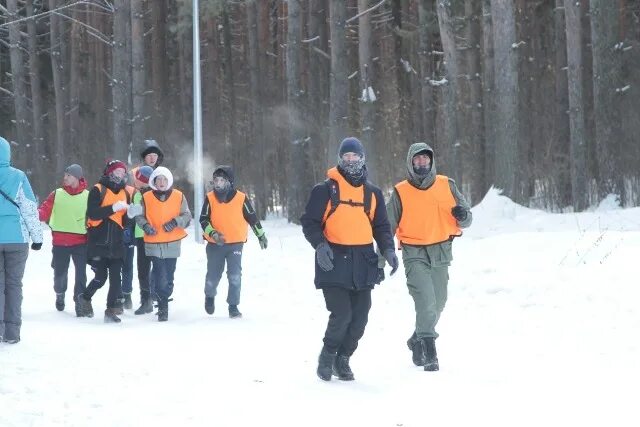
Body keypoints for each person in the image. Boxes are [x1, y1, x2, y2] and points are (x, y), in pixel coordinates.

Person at [300, 137, 397, 381]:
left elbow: (382, 227)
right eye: (346, 156)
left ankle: (343, 358)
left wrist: (388, 250)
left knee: (361, 316)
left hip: (363, 263)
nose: (351, 160)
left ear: (362, 158)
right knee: (341, 313)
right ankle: (327, 355)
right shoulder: (325, 190)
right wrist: (320, 245)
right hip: (333, 261)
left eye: (355, 156)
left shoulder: (372, 193)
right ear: (340, 159)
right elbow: (310, 223)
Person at [386, 142, 472, 371]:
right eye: (417, 159)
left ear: (431, 161)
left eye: (425, 158)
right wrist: (381, 255)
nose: (421, 162)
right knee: (425, 300)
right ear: (410, 162)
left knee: (439, 302)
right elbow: (387, 227)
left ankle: (416, 339)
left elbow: (467, 219)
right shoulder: (400, 192)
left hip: (441, 252)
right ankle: (430, 352)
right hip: (414, 253)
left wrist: (463, 215)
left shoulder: (447, 185)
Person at [199, 166, 267, 319]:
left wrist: (260, 234)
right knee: (213, 276)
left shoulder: (241, 198)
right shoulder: (210, 198)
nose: (218, 183)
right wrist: (213, 233)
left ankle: (233, 306)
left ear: (229, 182)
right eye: (216, 180)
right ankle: (209, 295)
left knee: (235, 276)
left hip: (235, 244)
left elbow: (252, 218)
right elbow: (203, 219)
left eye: (222, 180)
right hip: (215, 244)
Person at [132, 166, 190, 321]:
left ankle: (163, 295)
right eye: (159, 179)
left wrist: (175, 222)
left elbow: (187, 216)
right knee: (159, 274)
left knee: (169, 276)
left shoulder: (179, 196)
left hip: (172, 243)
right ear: (154, 182)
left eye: (164, 179)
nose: (162, 182)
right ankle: (163, 306)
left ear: (169, 180)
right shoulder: (146, 197)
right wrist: (145, 226)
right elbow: (138, 216)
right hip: (154, 242)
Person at [76, 160, 131, 323]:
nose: (120, 175)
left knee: (116, 279)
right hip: (98, 243)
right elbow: (93, 214)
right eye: (117, 171)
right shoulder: (97, 189)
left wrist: (131, 214)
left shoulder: (125, 193)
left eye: (123, 172)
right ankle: (85, 297)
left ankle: (110, 309)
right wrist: (112, 208)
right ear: (109, 172)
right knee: (101, 278)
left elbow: (125, 221)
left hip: (117, 245)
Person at [0, 136, 43, 344]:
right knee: (14, 285)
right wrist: (37, 237)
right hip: (17, 239)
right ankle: (12, 332)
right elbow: (29, 208)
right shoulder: (18, 176)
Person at [38, 164, 89, 316]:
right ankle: (60, 293)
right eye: (65, 175)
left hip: (80, 241)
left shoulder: (87, 195)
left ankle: (79, 301)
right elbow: (44, 210)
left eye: (69, 175)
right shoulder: (57, 194)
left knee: (81, 274)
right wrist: (34, 215)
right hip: (60, 241)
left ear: (77, 177)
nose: (65, 178)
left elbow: (93, 216)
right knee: (60, 273)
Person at [127, 166, 155, 315]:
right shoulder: (141, 193)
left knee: (145, 269)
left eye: (136, 177)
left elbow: (136, 214)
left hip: (146, 235)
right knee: (149, 268)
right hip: (146, 235)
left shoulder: (142, 195)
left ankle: (148, 299)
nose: (134, 180)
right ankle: (149, 298)